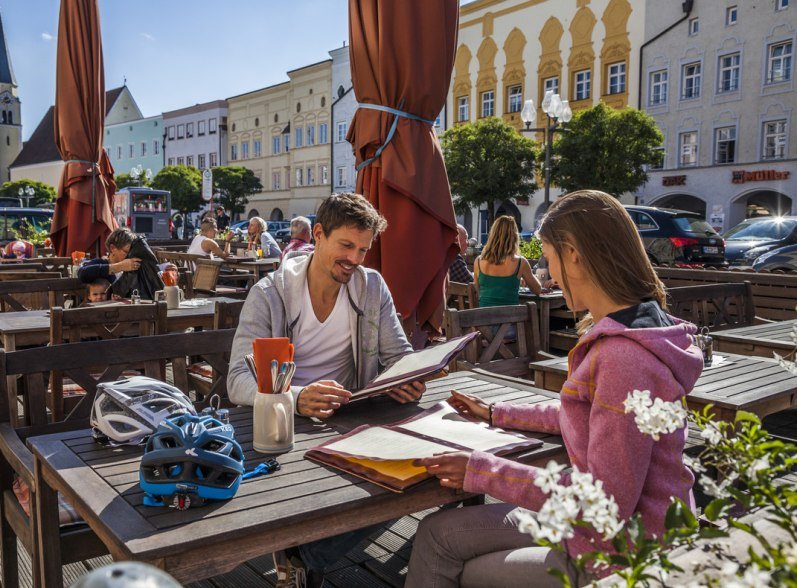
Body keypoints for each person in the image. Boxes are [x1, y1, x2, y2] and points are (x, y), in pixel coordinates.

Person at [405, 190, 705, 587]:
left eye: (548, 258)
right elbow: (593, 413)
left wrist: (481, 470)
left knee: (445, 550)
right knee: (437, 532)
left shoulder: (622, 359)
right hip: (636, 530)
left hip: (619, 557)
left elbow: (605, 505)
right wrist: (497, 413)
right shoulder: (644, 329)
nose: (550, 274)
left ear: (573, 253)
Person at [227, 193, 425, 588]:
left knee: (419, 467)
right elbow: (237, 379)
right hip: (283, 425)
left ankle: (304, 554)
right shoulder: (270, 293)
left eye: (364, 250)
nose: (355, 259)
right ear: (318, 234)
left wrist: (407, 374)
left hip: (348, 419)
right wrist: (297, 397)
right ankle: (304, 553)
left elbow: (398, 353)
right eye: (346, 246)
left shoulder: (370, 287)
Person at [77, 228, 164, 300]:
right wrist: (120, 266)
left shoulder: (136, 266)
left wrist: (166, 270)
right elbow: (82, 273)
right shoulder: (101, 262)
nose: (130, 255)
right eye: (126, 251)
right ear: (113, 248)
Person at [473, 215, 541, 307]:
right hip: (511, 320)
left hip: (484, 319)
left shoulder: (478, 261)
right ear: (514, 236)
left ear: (492, 234)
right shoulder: (520, 262)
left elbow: (478, 292)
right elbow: (537, 289)